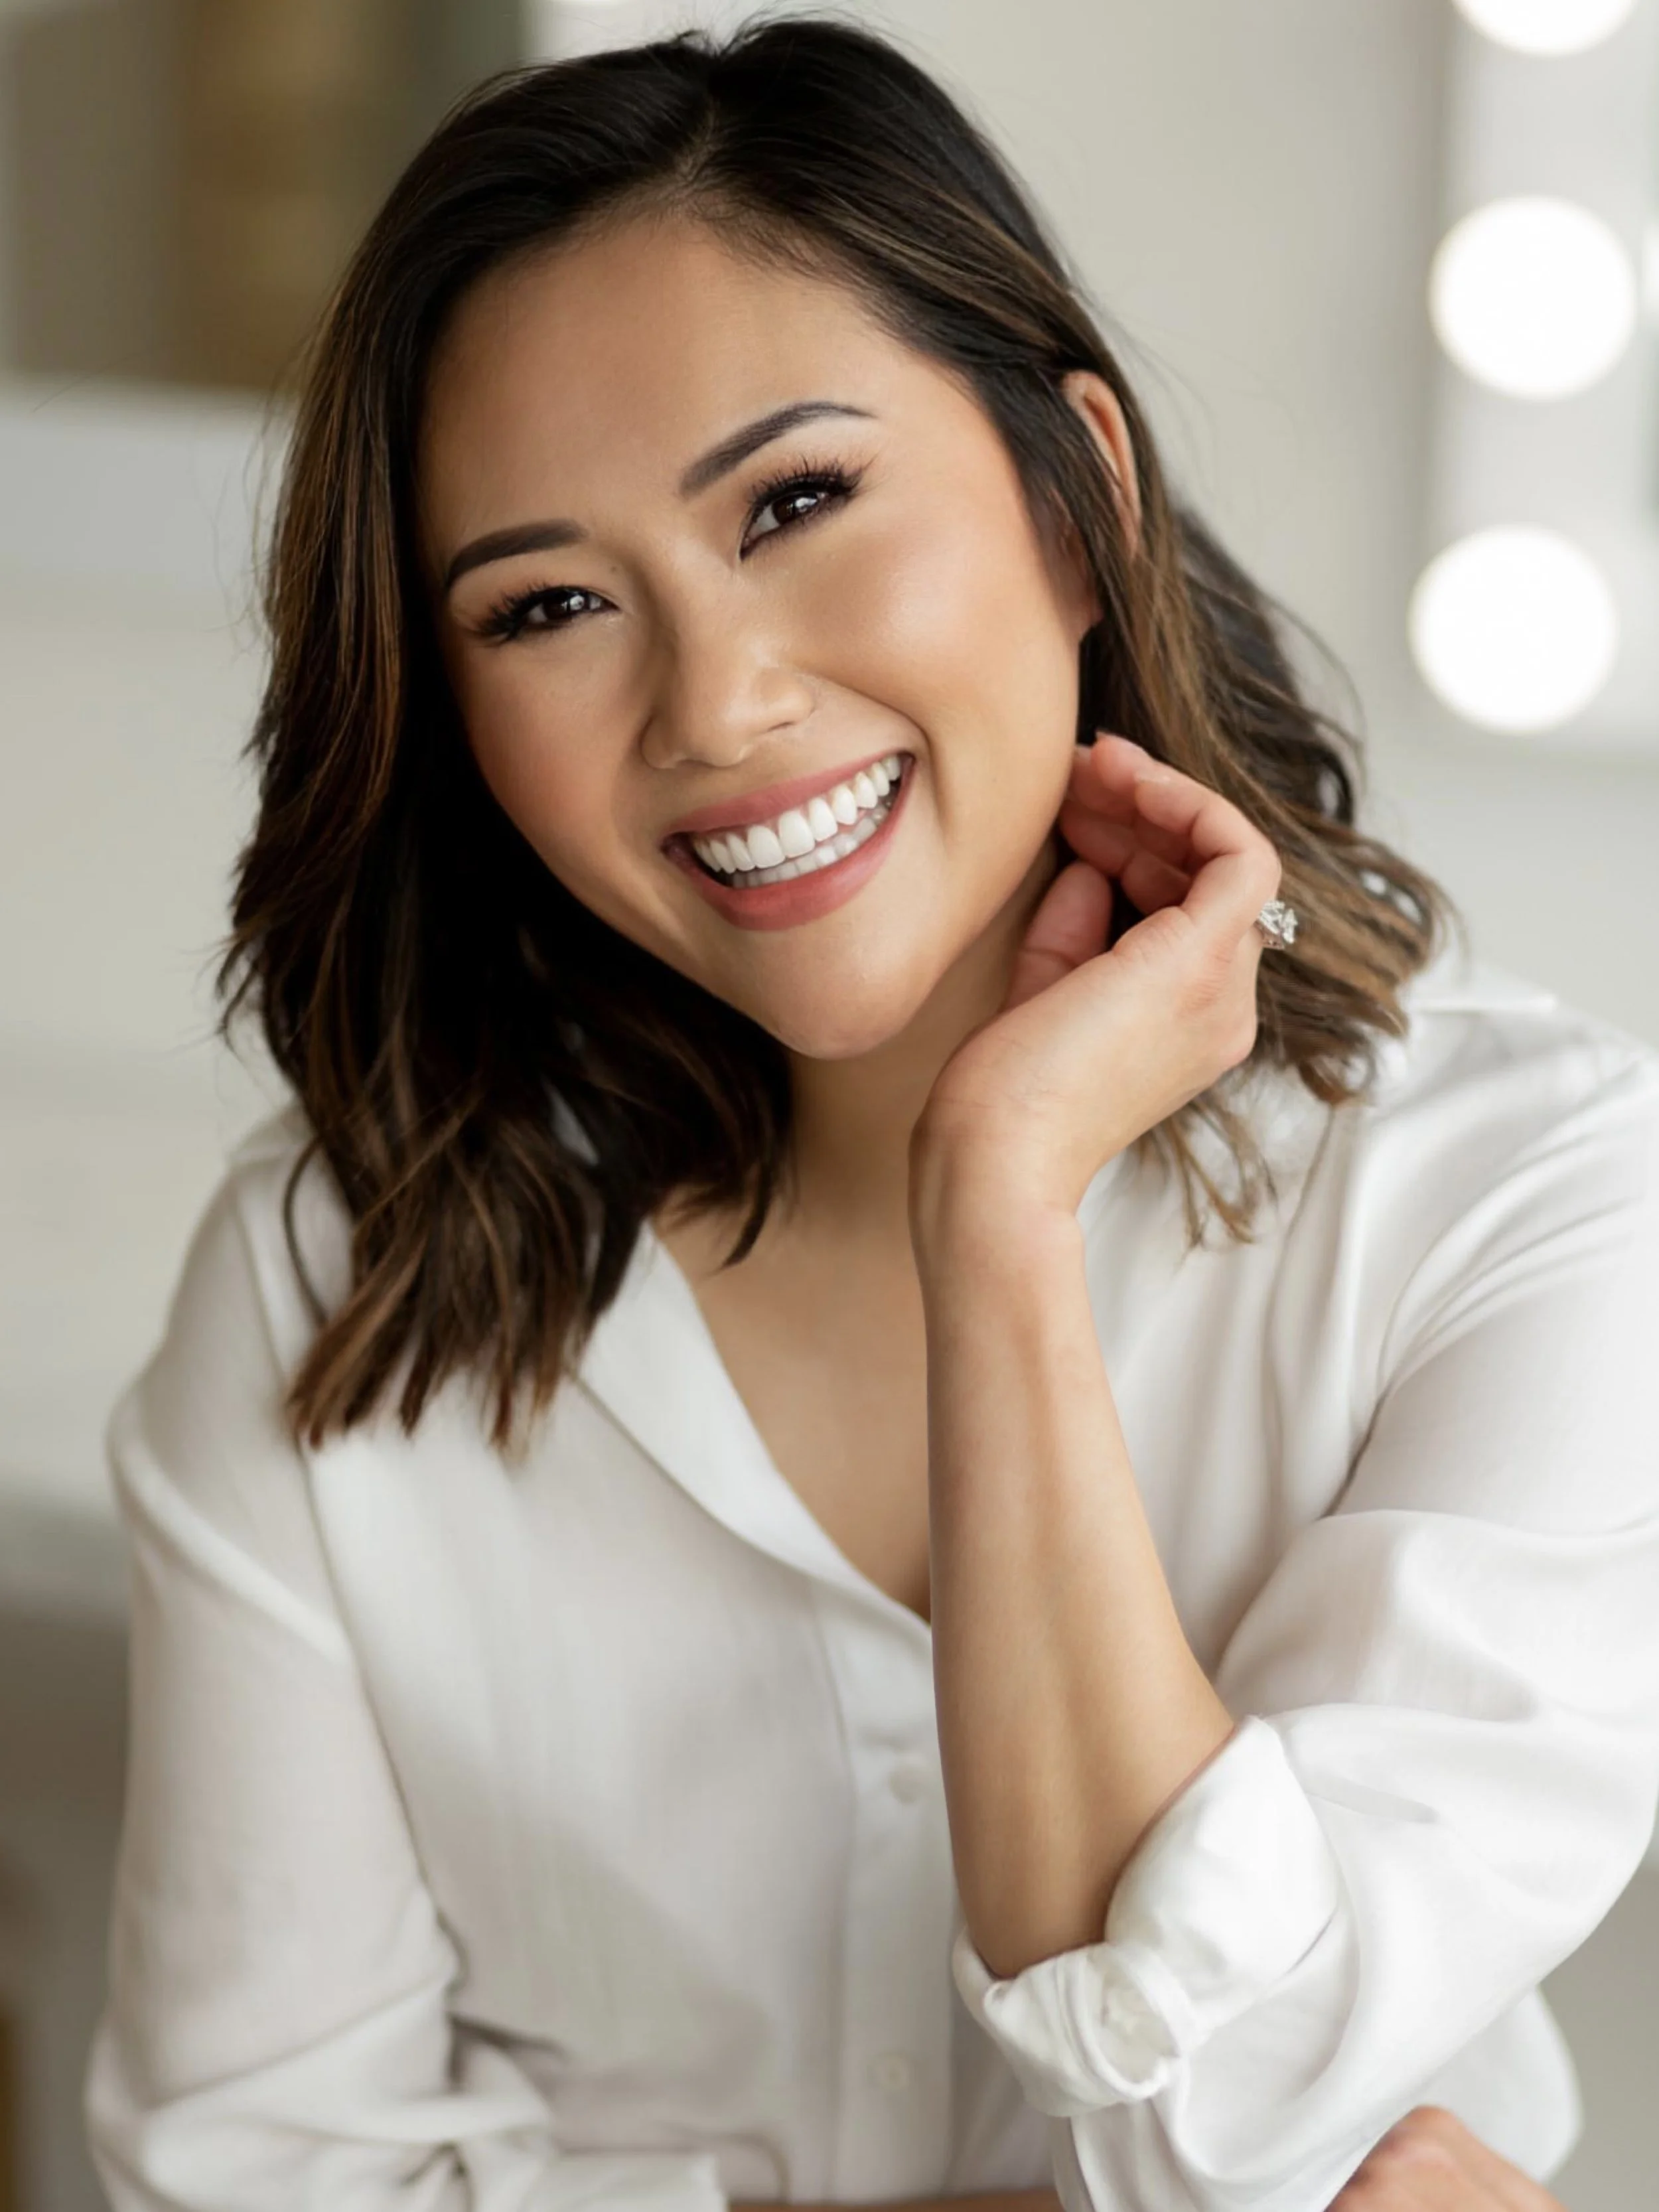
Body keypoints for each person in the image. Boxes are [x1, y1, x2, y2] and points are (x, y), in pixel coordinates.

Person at [82, 15, 1657, 2212]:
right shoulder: (334, 1276)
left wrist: (998, 1212)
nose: (714, 703)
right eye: (547, 605)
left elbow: (1216, 2110)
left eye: (795, 502)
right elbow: (244, 2186)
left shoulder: (1522, 1194)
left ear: (1078, 496)